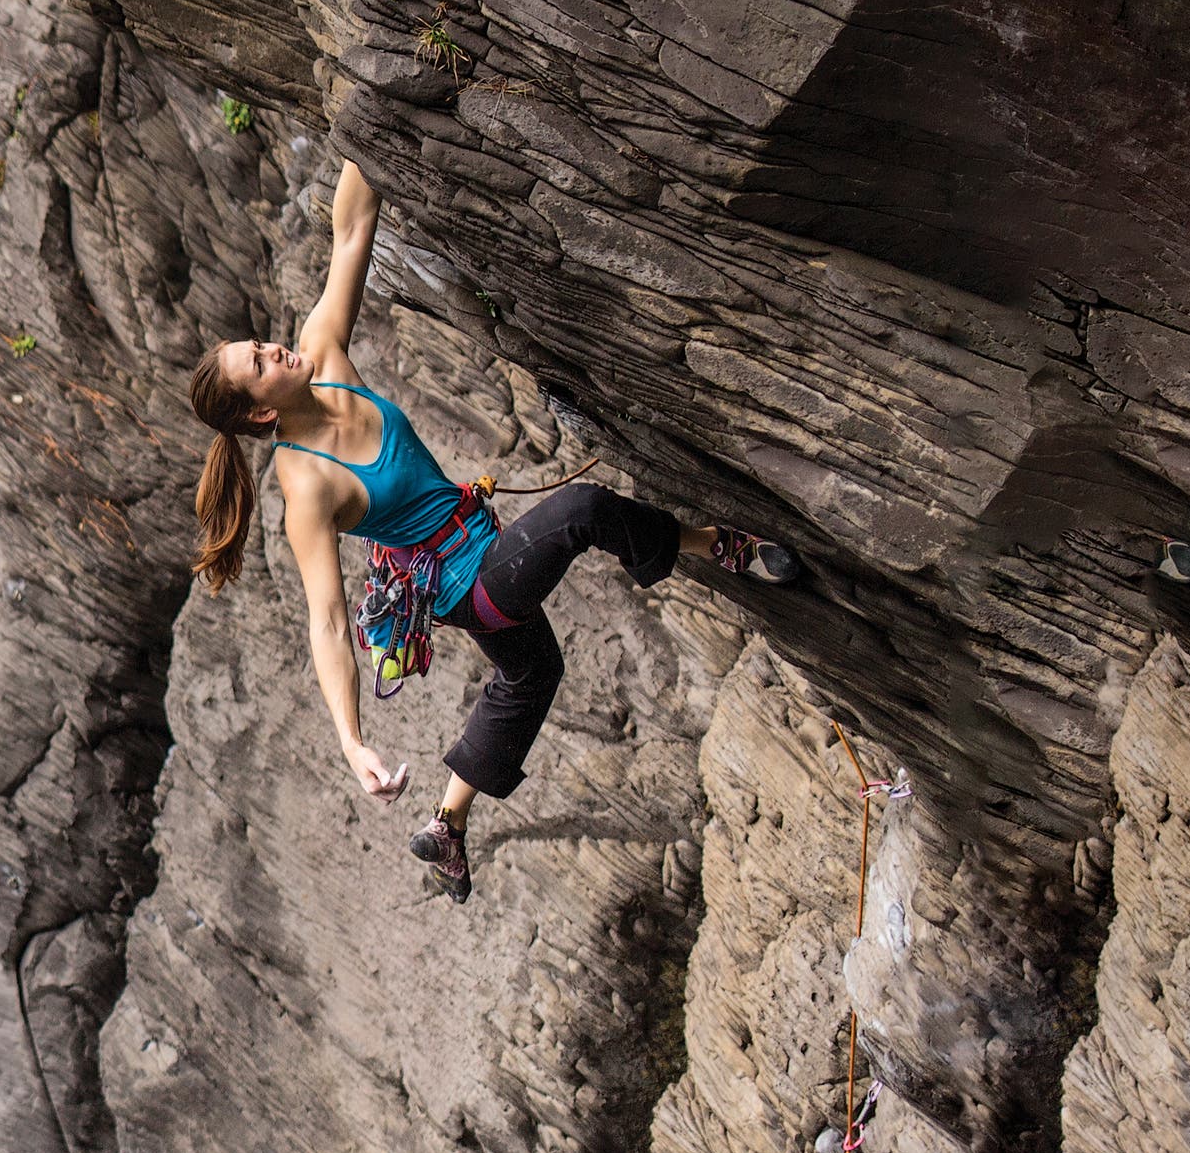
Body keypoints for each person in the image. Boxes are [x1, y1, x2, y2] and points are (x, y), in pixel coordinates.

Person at [186, 159, 792, 899]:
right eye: (260, 361)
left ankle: (447, 825)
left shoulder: (324, 353)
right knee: (583, 512)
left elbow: (351, 230)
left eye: (260, 342)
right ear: (259, 412)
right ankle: (715, 544)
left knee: (533, 672)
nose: (275, 347)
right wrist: (350, 740)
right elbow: (327, 619)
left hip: (479, 544)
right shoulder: (305, 485)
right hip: (465, 583)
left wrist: (361, 121)